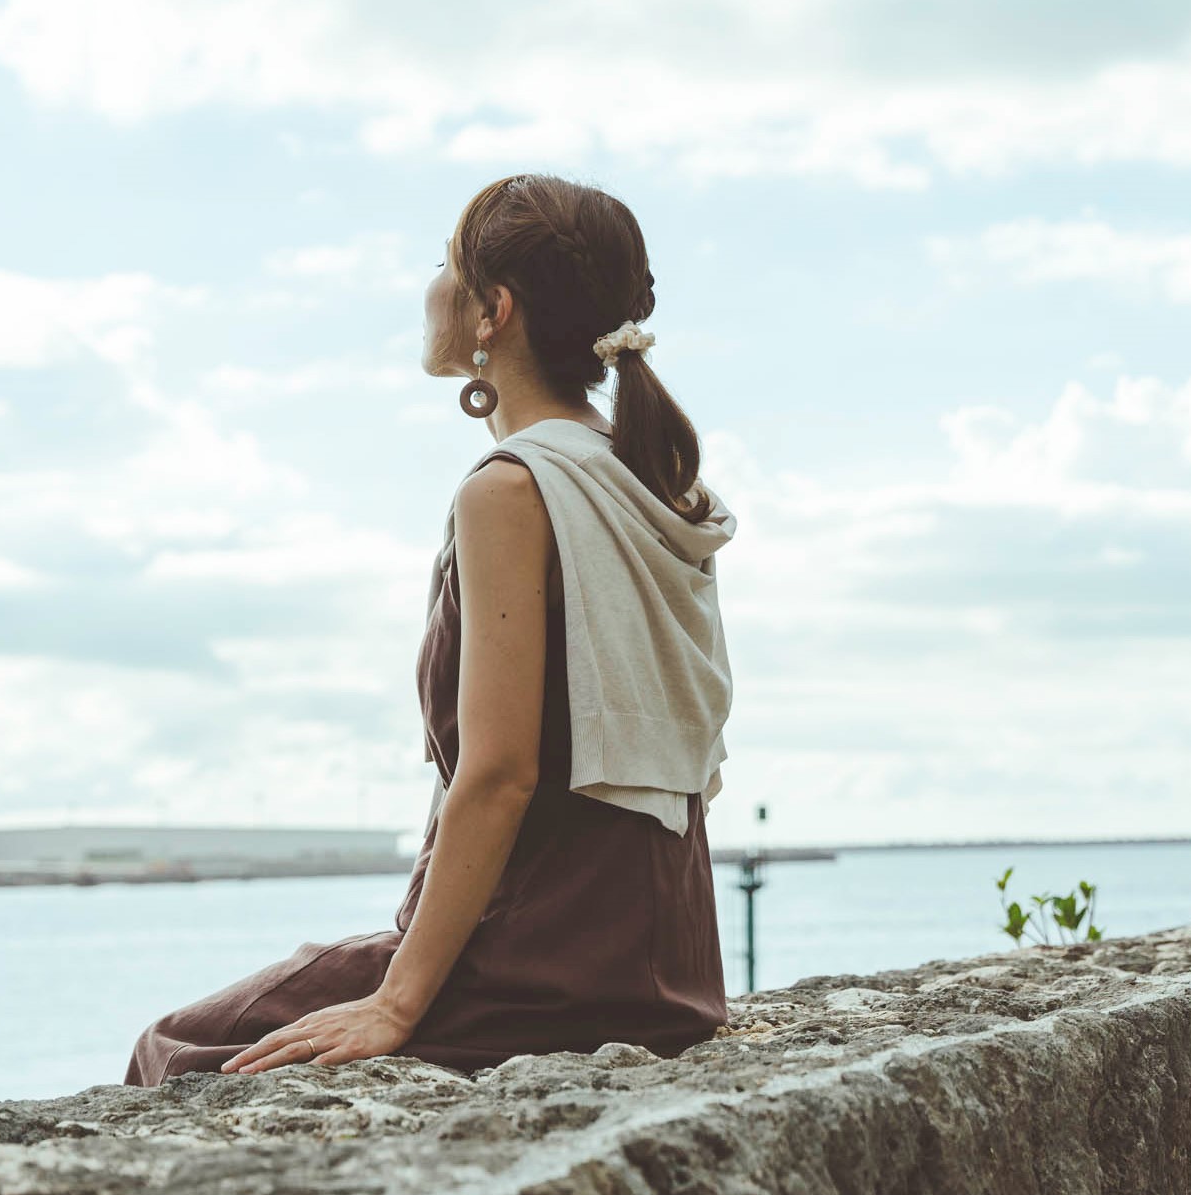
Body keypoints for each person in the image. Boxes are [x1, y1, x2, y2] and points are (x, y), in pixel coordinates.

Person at [124, 174, 734, 1083]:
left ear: (494, 310)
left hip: (543, 968)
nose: (430, 287)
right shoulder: (649, 481)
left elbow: (498, 775)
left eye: (447, 267)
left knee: (174, 1049)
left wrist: (397, 1003)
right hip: (668, 968)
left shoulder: (510, 490)